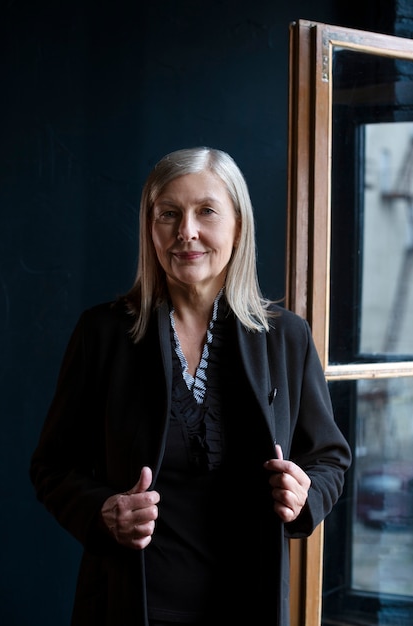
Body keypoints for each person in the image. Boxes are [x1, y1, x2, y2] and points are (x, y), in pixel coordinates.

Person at [30, 146, 352, 626]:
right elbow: (52, 466)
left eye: (206, 211)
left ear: (238, 225)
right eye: (169, 214)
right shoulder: (101, 334)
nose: (187, 232)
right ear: (150, 228)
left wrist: (307, 495)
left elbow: (329, 457)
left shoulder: (287, 336)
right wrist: (102, 511)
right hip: (129, 604)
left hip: (248, 605)